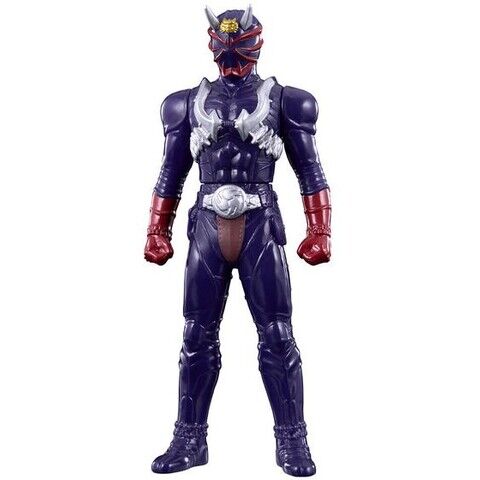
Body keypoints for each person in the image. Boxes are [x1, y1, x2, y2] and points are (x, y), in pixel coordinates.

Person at [144, 6, 331, 477]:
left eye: (238, 44)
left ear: (255, 42)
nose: (230, 55)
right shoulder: (184, 104)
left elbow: (309, 169)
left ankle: (292, 441)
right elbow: (171, 171)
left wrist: (320, 230)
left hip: (260, 222)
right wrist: (156, 230)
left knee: (277, 336)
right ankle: (189, 440)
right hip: (207, 224)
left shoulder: (287, 101)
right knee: (195, 336)